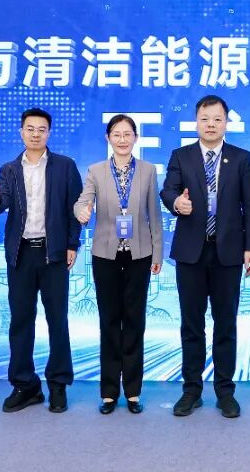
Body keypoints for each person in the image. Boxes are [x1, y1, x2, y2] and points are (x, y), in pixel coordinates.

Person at [161, 94, 250, 418]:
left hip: (228, 252)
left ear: (226, 123)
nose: (211, 124)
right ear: (196, 122)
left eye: (217, 119)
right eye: (205, 119)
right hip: (191, 251)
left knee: (225, 323)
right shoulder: (182, 156)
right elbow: (168, 190)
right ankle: (191, 390)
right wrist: (177, 203)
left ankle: (225, 391)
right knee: (192, 324)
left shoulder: (241, 158)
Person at [0, 107, 83, 414]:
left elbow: (75, 208)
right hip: (20, 254)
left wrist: (72, 244)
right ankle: (25, 385)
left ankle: (58, 384)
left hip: (54, 253)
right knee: (20, 321)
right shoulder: (9, 170)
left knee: (58, 320)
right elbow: (1, 204)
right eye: (30, 128)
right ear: (21, 132)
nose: (35, 134)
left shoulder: (65, 166)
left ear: (49, 133)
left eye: (41, 129)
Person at [74, 114, 163, 415]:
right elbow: (82, 201)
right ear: (108, 138)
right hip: (105, 256)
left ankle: (133, 392)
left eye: (127, 134)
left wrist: (158, 254)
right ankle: (109, 393)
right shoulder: (96, 171)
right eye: (116, 134)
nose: (122, 139)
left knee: (135, 322)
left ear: (135, 138)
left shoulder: (148, 171)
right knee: (109, 322)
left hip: (139, 255)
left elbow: (154, 215)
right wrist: (81, 211)